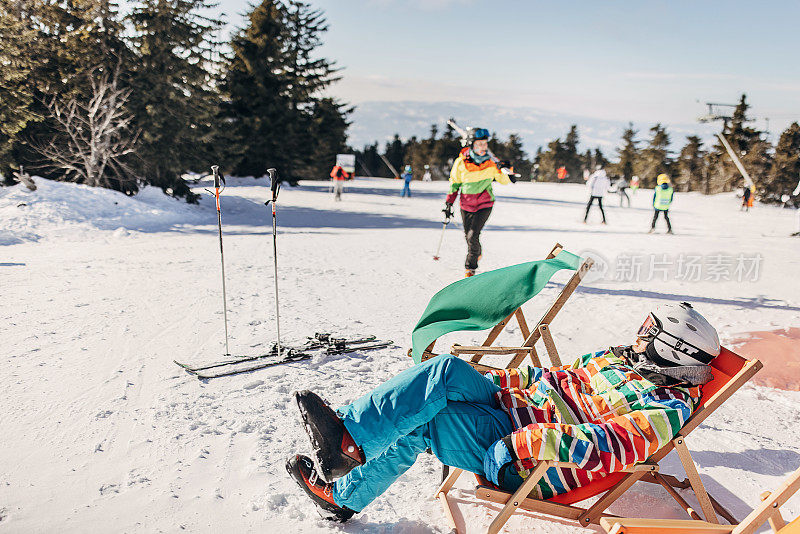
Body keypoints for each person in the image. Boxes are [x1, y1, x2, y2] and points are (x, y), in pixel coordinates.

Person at [285, 302, 720, 522]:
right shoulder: (622, 358)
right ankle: (347, 441)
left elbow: (607, 448)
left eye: (650, 331)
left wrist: (521, 442)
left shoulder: (667, 408)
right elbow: (557, 376)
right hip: (515, 412)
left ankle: (345, 476)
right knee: (445, 372)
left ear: (673, 349)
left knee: (426, 419)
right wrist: (495, 382)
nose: (639, 334)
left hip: (530, 459)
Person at [442, 128, 513, 277]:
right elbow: (455, 184)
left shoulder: (492, 163)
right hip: (466, 204)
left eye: (485, 144)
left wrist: (507, 170)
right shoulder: (461, 162)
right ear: (471, 145)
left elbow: (503, 180)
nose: (483, 147)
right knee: (468, 236)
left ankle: (470, 268)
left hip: (485, 204)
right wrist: (449, 203)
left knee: (473, 235)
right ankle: (477, 252)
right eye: (479, 144)